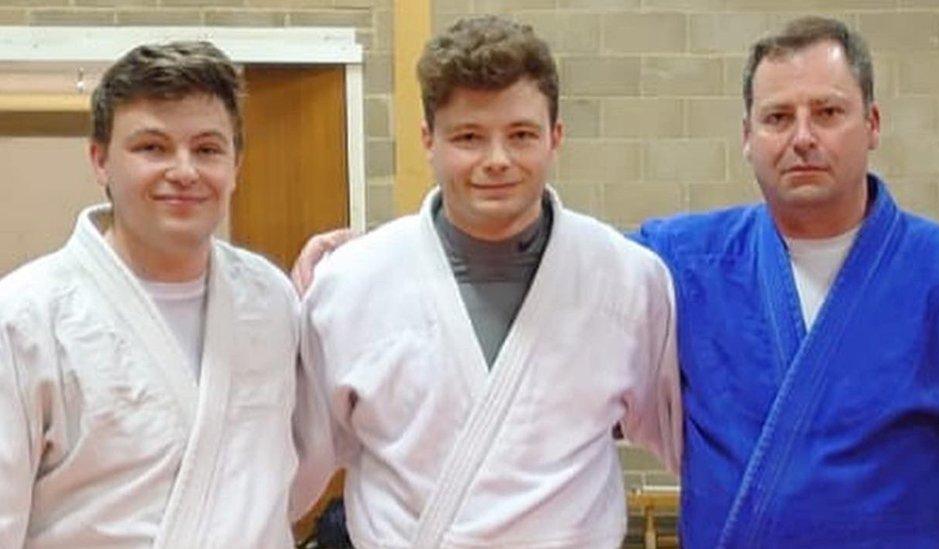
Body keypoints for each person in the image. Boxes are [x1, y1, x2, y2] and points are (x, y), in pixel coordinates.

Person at [292, 15, 681, 548]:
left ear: (555, 137)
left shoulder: (627, 277)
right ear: (429, 140)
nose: (496, 161)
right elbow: (291, 468)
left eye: (521, 135)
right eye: (469, 137)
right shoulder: (351, 283)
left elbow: (685, 441)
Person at [632, 16, 939, 548]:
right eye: (776, 117)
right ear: (747, 137)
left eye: (828, 112)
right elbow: (560, 279)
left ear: (873, 124)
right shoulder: (680, 262)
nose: (802, 138)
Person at [0, 42, 299, 547]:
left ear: (236, 163)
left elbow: (286, 477)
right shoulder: (26, 315)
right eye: (152, 148)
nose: (184, 172)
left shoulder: (271, 298)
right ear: (100, 161)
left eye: (207, 149)